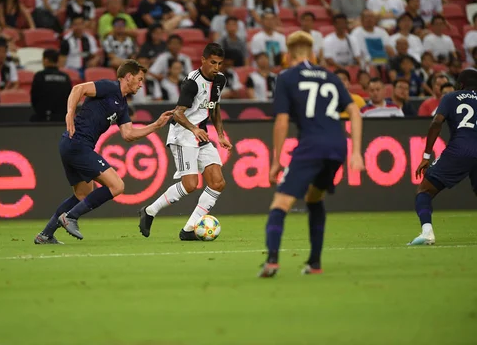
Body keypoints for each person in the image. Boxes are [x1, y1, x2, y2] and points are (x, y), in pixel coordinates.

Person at [258, 31, 365, 278]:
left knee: (281, 203)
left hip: (310, 145)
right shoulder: (331, 77)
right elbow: (355, 112)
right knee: (315, 198)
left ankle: (272, 260)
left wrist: (276, 161)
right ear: (313, 53)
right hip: (337, 146)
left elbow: (282, 122)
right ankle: (315, 263)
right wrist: (356, 152)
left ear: (287, 55)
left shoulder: (286, 77)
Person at [36, 60, 174, 243]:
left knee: (82, 194)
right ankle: (70, 217)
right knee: (117, 186)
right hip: (77, 143)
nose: (141, 84)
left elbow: (129, 134)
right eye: (140, 79)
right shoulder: (109, 87)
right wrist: (70, 112)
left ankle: (45, 235)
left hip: (71, 144)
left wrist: (156, 125)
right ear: (128, 76)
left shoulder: (123, 105)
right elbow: (78, 89)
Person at [137, 43, 232, 240]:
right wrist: (195, 129)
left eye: (220, 64)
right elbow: (178, 114)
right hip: (183, 133)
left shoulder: (221, 80)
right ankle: (149, 211)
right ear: (203, 60)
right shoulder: (192, 82)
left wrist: (220, 134)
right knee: (190, 185)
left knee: (218, 182)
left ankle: (189, 230)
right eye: (213, 62)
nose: (216, 67)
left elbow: (214, 108)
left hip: (200, 133)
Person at [410, 68, 477, 245]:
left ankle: (427, 233)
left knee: (424, 191)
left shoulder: (451, 97)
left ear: (460, 84)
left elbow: (436, 122)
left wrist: (426, 155)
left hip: (460, 149)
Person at [30, 49, 72, 122]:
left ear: (46, 60)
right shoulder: (65, 77)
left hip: (42, 118)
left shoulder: (39, 76)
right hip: (62, 119)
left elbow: (34, 97)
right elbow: (70, 97)